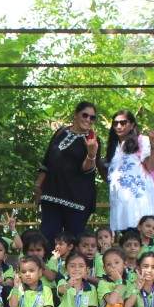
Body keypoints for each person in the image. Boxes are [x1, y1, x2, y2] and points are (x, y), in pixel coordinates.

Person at [35, 101, 101, 243]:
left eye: (92, 117)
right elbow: (47, 161)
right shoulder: (60, 132)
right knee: (47, 238)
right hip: (51, 195)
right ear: (76, 115)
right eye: (85, 115)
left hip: (76, 200)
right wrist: (38, 186)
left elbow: (87, 169)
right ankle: (46, 265)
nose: (88, 119)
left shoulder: (93, 140)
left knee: (73, 243)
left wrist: (91, 153)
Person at [104, 110, 154, 233]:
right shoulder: (113, 147)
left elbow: (153, 166)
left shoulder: (142, 140)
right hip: (120, 206)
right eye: (115, 123)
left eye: (123, 123)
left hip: (138, 206)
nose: (118, 126)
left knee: (141, 243)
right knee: (126, 244)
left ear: (133, 125)